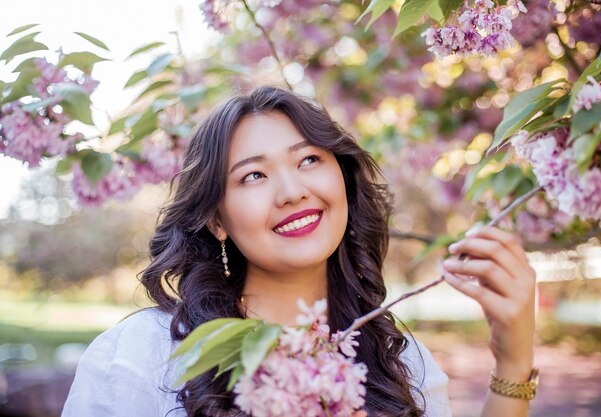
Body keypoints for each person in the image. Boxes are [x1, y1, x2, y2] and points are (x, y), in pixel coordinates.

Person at [61, 86, 537, 417]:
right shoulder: (142, 354)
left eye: (309, 159)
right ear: (217, 220)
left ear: (343, 181)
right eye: (253, 175)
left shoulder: (400, 361)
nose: (292, 190)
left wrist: (513, 362)